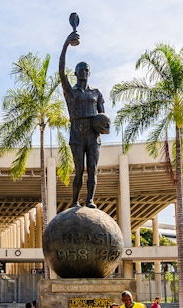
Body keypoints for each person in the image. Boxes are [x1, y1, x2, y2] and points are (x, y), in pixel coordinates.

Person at [59, 27, 108, 208]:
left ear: (89, 72)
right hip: (77, 133)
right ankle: (74, 201)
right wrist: (66, 43)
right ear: (76, 73)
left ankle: (90, 200)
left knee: (93, 170)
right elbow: (61, 70)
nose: (84, 72)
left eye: (86, 69)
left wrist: (104, 126)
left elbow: (103, 116)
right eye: (81, 69)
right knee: (79, 170)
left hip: (93, 135)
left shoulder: (96, 93)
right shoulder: (71, 92)